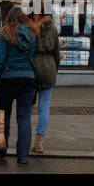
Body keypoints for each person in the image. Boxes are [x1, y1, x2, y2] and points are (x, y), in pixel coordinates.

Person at [0, 6, 38, 165]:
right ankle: (23, 156)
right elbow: (34, 58)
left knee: (3, 116)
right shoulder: (33, 34)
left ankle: (1, 149)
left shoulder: (6, 32)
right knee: (24, 118)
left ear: (8, 18)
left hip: (7, 79)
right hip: (28, 80)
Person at [31, 12, 61, 153]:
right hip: (49, 67)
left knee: (25, 106)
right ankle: (39, 142)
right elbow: (56, 52)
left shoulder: (30, 28)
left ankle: (24, 139)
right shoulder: (53, 29)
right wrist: (55, 69)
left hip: (32, 68)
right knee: (44, 106)